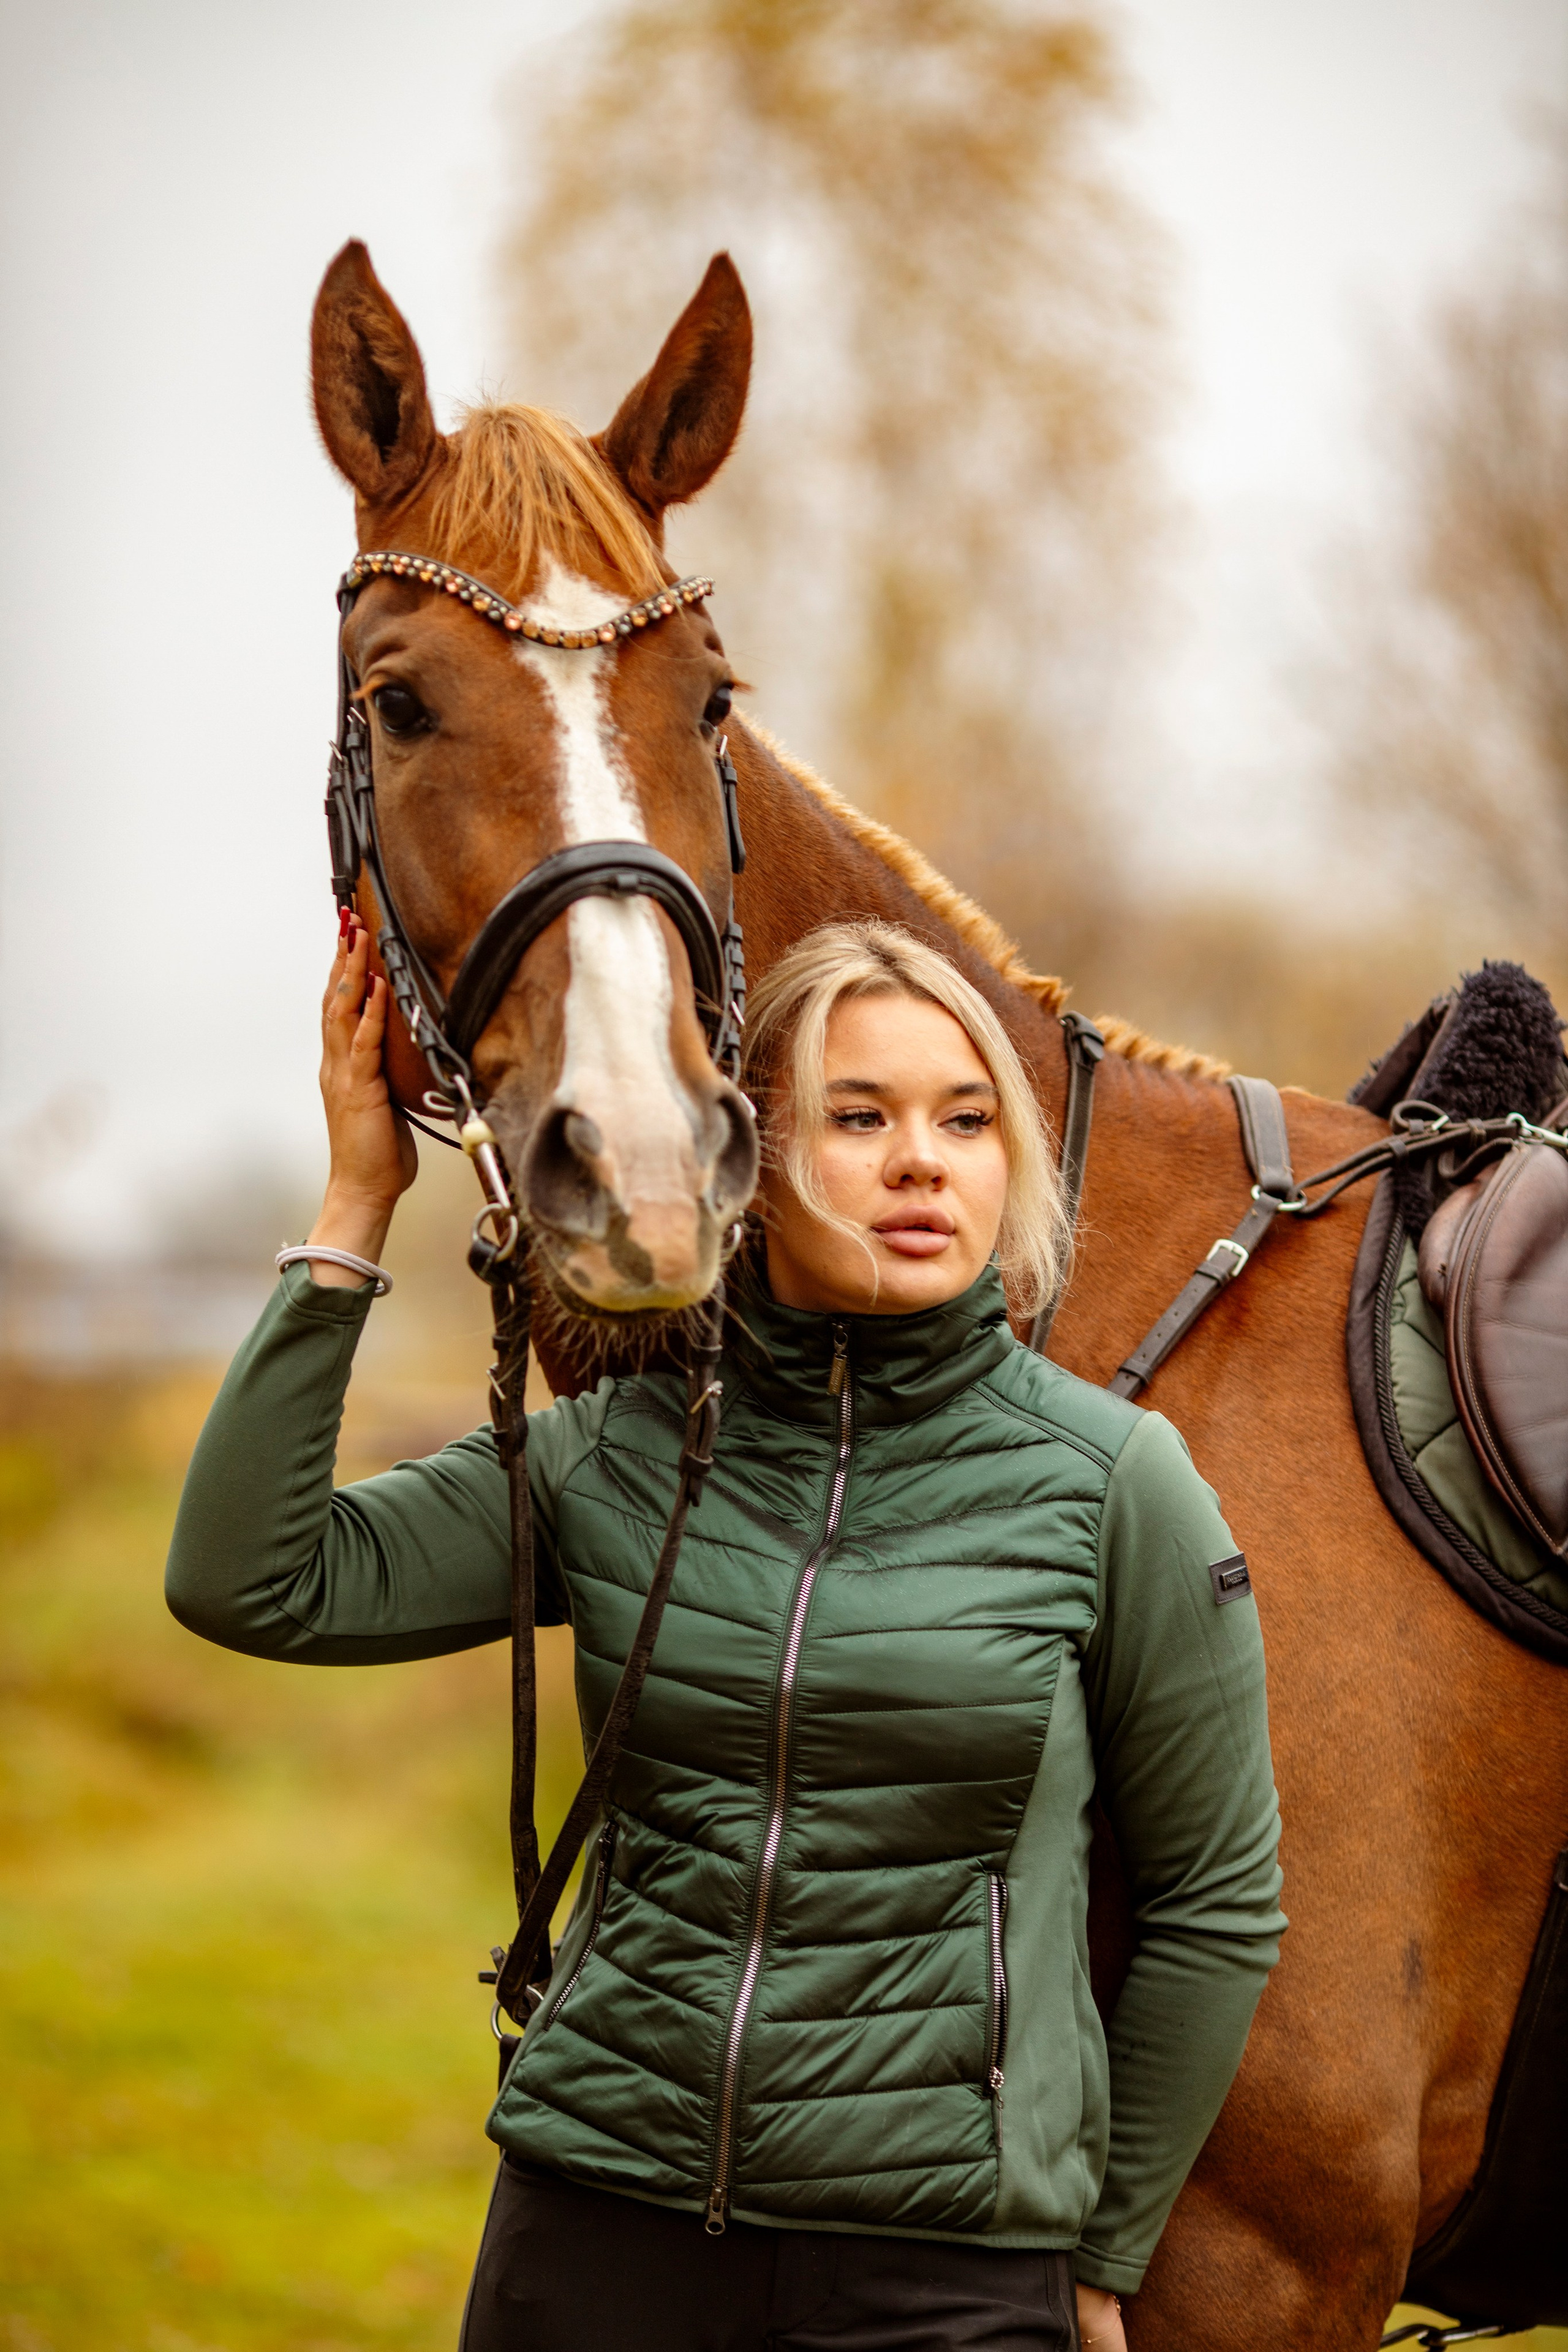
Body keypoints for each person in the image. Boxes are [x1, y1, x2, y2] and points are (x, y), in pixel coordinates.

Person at [167, 916, 1285, 2352]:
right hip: (599, 2225)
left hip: (942, 2267)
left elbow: (1213, 1900)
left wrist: (1103, 2254)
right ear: (739, 1156)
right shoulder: (614, 1454)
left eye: (964, 1120)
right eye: (858, 1116)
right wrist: (354, 1206)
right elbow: (255, 1578)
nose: (922, 1162)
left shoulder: (1111, 1483)